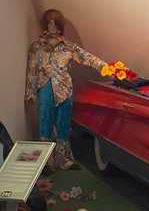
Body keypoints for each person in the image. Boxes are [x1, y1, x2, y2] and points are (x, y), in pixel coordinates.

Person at [25, 9, 109, 170]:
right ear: (45, 25)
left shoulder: (68, 47)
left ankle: (63, 159)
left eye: (55, 24)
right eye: (49, 24)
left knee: (63, 124)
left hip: (64, 90)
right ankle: (46, 162)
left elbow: (87, 57)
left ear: (59, 26)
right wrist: (30, 92)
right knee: (44, 124)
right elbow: (32, 69)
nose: (52, 27)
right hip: (45, 88)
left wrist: (106, 67)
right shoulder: (37, 47)